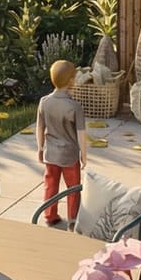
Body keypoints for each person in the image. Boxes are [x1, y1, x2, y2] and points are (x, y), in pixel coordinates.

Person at [35, 59, 88, 228]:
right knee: (73, 187)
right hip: (70, 155)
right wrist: (84, 155)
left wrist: (40, 148)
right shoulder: (74, 107)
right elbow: (81, 134)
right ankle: (73, 218)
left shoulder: (44, 102)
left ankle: (49, 215)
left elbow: (40, 128)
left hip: (51, 153)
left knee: (50, 184)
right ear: (71, 81)